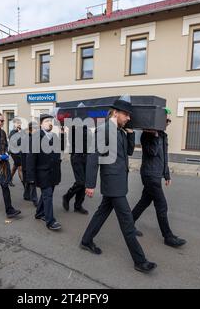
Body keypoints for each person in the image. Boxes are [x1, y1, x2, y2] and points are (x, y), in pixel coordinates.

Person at [80, 99, 157, 274]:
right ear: (116, 113)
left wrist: (130, 133)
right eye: (126, 114)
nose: (129, 118)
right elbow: (93, 157)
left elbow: (129, 152)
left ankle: (86, 240)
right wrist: (90, 184)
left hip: (117, 180)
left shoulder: (120, 132)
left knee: (102, 213)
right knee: (127, 222)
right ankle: (140, 261)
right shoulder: (104, 130)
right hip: (112, 182)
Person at [132, 109, 186, 248]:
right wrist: (154, 136)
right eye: (166, 121)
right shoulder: (147, 135)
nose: (168, 123)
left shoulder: (163, 135)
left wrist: (166, 174)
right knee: (162, 205)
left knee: (144, 202)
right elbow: (152, 152)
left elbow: (164, 157)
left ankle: (128, 223)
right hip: (149, 175)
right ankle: (168, 236)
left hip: (156, 174)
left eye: (169, 121)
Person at [26, 114, 63, 231]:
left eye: (51, 121)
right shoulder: (36, 137)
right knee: (48, 196)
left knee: (47, 194)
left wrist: (62, 135)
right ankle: (50, 221)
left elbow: (60, 150)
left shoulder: (54, 136)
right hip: (42, 173)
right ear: (41, 124)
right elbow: (30, 159)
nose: (49, 123)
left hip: (53, 173)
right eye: (47, 121)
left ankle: (39, 213)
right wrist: (30, 177)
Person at [62, 125, 92, 215]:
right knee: (80, 182)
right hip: (77, 156)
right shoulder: (74, 127)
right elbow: (72, 141)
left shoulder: (88, 128)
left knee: (84, 183)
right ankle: (67, 196)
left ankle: (78, 206)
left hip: (86, 156)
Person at [21, 122, 38, 207]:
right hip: (27, 162)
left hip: (31, 162)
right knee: (32, 180)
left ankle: (26, 195)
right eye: (35, 129)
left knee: (28, 180)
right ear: (31, 129)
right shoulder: (26, 138)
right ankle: (34, 199)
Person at [8, 118, 23, 187]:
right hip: (14, 153)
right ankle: (25, 185)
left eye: (20, 123)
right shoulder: (12, 132)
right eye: (17, 123)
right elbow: (15, 143)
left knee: (15, 167)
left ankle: (9, 179)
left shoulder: (21, 132)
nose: (19, 125)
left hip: (20, 152)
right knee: (20, 167)